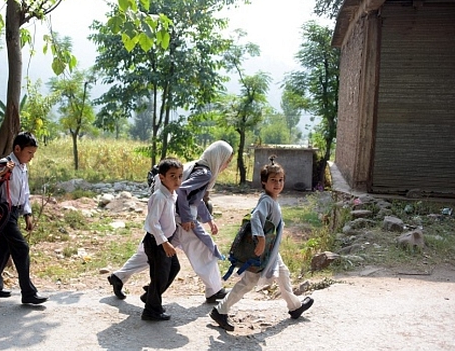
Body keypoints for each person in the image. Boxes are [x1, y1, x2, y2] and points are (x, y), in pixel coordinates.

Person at [108, 140, 234, 303]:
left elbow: (195, 198)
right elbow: (182, 191)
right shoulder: (205, 173)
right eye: (227, 161)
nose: (226, 166)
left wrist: (209, 220)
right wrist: (188, 218)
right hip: (184, 223)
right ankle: (214, 290)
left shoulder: (196, 166)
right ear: (219, 158)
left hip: (174, 218)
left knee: (151, 252)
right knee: (204, 252)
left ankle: (119, 277)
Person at [209, 156, 314, 331]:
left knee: (283, 274)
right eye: (273, 180)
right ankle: (220, 311)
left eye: (281, 180)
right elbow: (257, 217)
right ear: (264, 182)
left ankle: (295, 306)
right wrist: (261, 239)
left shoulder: (272, 200)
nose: (278, 184)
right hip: (262, 251)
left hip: (270, 252)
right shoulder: (266, 201)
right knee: (248, 283)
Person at [0, 131, 48, 305]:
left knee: (4, 249)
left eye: (33, 153)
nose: (31, 157)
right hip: (4, 214)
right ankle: (28, 292)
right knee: (22, 248)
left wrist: (27, 214)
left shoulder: (23, 167)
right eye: (29, 153)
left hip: (14, 213)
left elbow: (24, 193)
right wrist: (1, 173)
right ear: (17, 149)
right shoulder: (5, 163)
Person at [141, 158, 183, 321]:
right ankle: (151, 310)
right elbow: (152, 221)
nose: (177, 180)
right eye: (172, 176)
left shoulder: (172, 195)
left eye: (180, 176)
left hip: (165, 241)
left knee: (173, 269)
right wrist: (164, 243)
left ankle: (151, 296)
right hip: (157, 242)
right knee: (160, 275)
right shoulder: (160, 196)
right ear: (161, 177)